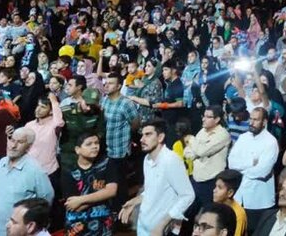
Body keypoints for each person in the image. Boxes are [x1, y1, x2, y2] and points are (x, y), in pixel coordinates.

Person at [119, 119, 195, 236]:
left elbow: (188, 195)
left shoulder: (171, 160)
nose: (142, 139)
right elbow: (152, 190)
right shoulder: (147, 159)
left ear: (160, 138)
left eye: (148, 134)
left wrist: (162, 225)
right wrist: (135, 201)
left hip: (161, 230)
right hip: (144, 226)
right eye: (142, 135)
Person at [0, 128, 54, 236]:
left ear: (28, 147)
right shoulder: (1, 163)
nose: (13, 145)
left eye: (20, 142)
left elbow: (46, 200)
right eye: (12, 140)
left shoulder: (35, 170)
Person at [227, 107, 279, 234]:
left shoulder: (271, 142)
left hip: (259, 200)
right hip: (240, 197)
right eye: (251, 119)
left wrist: (241, 169)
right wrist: (251, 162)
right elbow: (231, 163)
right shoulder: (243, 137)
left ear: (264, 122)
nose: (251, 122)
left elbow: (262, 171)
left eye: (256, 120)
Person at [61, 132, 117, 236]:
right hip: (77, 224)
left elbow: (111, 191)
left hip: (102, 222)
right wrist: (101, 196)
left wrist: (81, 199)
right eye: (89, 144)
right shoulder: (69, 171)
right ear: (78, 150)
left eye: (96, 143)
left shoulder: (107, 163)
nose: (95, 146)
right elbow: (73, 206)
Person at [100, 72, 139, 212]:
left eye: (110, 83)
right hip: (106, 148)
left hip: (119, 149)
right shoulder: (104, 99)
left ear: (118, 86)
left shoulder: (126, 103)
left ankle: (120, 212)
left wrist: (127, 135)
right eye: (106, 82)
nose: (106, 85)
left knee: (119, 184)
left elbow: (135, 123)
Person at [185, 105, 231, 211]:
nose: (203, 119)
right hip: (196, 179)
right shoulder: (202, 131)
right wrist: (196, 151)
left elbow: (201, 151)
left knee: (208, 214)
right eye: (203, 116)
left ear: (217, 119)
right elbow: (187, 152)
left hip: (210, 182)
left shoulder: (222, 135)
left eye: (208, 117)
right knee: (188, 213)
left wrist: (191, 139)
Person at [212, 170, 248, 236]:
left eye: (219, 188)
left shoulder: (238, 214)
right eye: (215, 186)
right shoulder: (215, 207)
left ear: (230, 193)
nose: (214, 190)